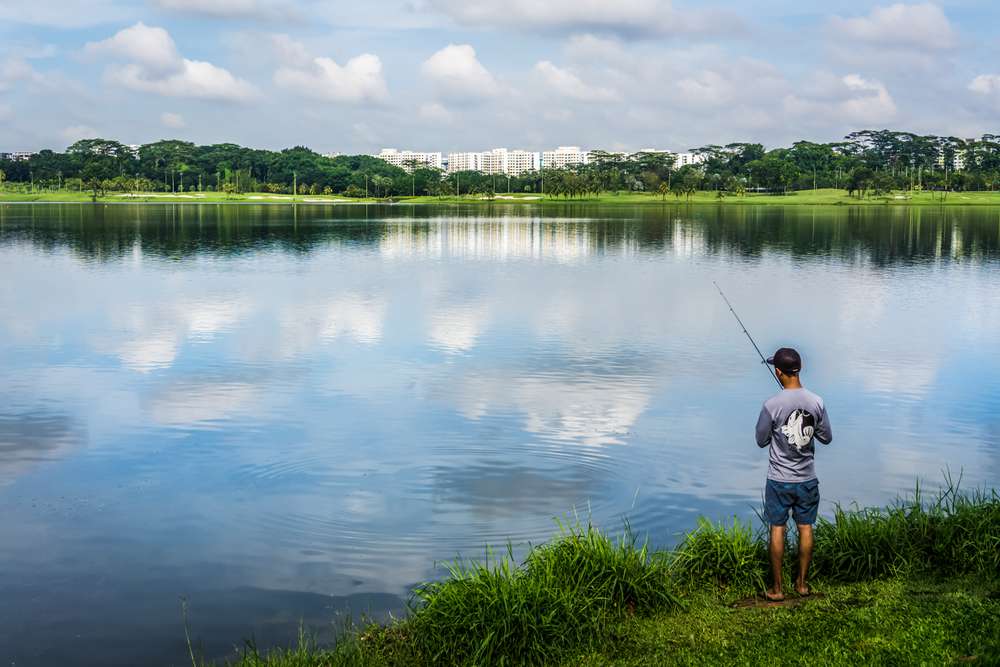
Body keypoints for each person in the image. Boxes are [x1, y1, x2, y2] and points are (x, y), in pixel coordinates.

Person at [755, 347, 832, 601]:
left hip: (778, 480)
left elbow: (761, 440)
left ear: (778, 371)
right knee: (805, 527)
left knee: (777, 529)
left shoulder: (771, 405)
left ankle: (777, 589)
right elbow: (826, 437)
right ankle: (801, 584)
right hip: (807, 479)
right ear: (798, 369)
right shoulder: (817, 402)